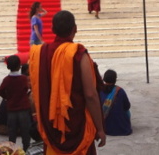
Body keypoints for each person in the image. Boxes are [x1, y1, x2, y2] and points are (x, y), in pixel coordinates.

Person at [29, 10, 106, 154]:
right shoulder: (78, 54)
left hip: (51, 128)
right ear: (75, 29)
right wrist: (100, 128)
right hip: (78, 127)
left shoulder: (39, 54)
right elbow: (90, 94)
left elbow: (36, 93)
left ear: (52, 30)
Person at [0, 55, 31, 151]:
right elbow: (27, 88)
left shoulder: (6, 80)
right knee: (25, 132)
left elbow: (0, 91)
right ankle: (26, 150)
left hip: (11, 109)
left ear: (8, 67)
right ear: (19, 66)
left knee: (12, 133)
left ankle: (12, 151)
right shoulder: (23, 79)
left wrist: (7, 97)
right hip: (23, 108)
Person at [99, 69, 132, 136]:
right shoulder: (120, 91)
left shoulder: (99, 91)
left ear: (104, 79)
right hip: (123, 129)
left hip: (105, 127)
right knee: (127, 111)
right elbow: (127, 106)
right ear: (115, 80)